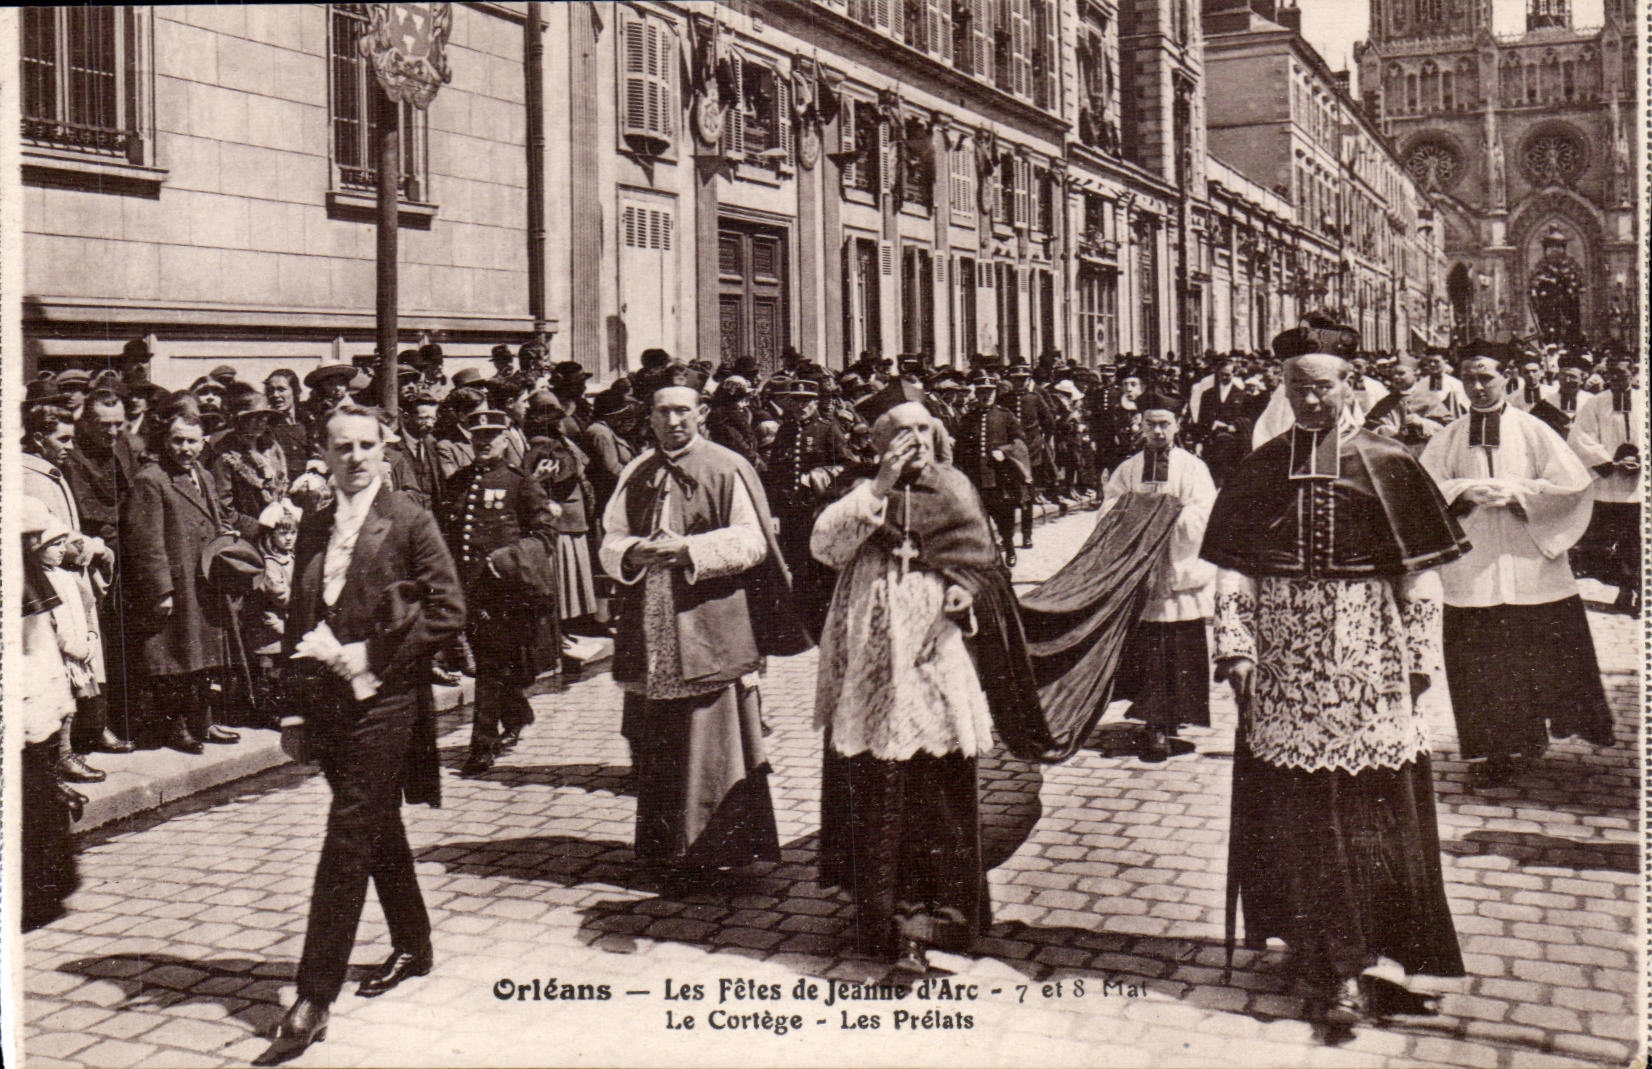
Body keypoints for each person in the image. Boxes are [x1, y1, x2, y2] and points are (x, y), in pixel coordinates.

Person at [1202, 351, 1471, 1031]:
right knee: (1301, 816)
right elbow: (1233, 570)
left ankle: (1376, 958)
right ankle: (1322, 953)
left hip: (1370, 669)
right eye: (1297, 387)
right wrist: (1235, 646)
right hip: (1286, 675)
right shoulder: (1262, 466)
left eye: (1323, 386)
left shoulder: (1388, 461)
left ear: (1350, 386)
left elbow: (1420, 577)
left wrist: (1420, 657)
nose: (1310, 399)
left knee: (1372, 816)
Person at [257, 405, 466, 1066]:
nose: (355, 457)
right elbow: (298, 615)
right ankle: (413, 940)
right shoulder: (318, 518)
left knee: (347, 836)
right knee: (374, 826)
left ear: (384, 448)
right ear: (323, 450)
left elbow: (448, 608)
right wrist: (292, 710)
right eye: (341, 446)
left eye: (366, 445)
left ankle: (313, 997)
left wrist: (373, 654)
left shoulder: (409, 518)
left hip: (387, 699)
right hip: (327, 702)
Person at [810, 381, 999, 971]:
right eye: (898, 432)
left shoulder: (955, 486)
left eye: (922, 430)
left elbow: (981, 561)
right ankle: (882, 915)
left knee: (935, 778)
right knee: (875, 775)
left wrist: (964, 595)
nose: (912, 441)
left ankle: (944, 917)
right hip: (869, 642)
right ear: (878, 443)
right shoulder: (864, 491)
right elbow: (825, 546)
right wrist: (879, 488)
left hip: (930, 645)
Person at [598, 363, 805, 886]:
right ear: (649, 418)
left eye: (682, 411)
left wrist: (688, 550)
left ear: (702, 414)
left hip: (711, 626)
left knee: (711, 741)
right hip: (653, 625)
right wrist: (633, 553)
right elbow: (610, 537)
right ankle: (665, 849)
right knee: (659, 741)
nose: (673, 421)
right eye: (662, 412)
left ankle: (719, 849)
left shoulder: (727, 466)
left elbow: (752, 541)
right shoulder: (636, 471)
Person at [1421, 346, 1613, 787]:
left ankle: (1532, 737)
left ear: (1506, 378)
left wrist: (1521, 494)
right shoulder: (1449, 435)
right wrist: (1463, 493)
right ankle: (1496, 749)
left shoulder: (1533, 430)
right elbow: (1425, 488)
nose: (1478, 386)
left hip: (1530, 565)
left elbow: (1572, 486)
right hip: (1475, 567)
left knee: (1532, 653)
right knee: (1482, 659)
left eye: (1487, 377)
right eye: (1469, 378)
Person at [442, 408, 561, 776]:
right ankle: (518, 712)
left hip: (506, 594)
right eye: (477, 437)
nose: (483, 442)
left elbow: (545, 534)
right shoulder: (458, 481)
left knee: (490, 668)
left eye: (491, 436)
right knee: (493, 665)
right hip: (469, 591)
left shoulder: (520, 482)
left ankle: (482, 746)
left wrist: (510, 559)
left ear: (505, 439)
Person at [123, 402, 247, 753]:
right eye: (178, 441)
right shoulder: (151, 480)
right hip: (178, 584)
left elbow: (219, 519)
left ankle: (203, 721)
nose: (185, 449)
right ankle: (176, 728)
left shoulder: (204, 476)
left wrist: (230, 550)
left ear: (203, 442)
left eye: (192, 442)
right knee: (173, 660)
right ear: (166, 440)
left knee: (203, 657)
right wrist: (162, 590)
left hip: (205, 580)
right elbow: (146, 543)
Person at [1101, 393, 1218, 762]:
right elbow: (1109, 507)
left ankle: (1173, 719)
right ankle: (1152, 722)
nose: (1157, 430)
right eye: (1150, 423)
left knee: (1179, 649)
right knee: (1147, 650)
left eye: (1165, 423)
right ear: (1141, 425)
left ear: (1178, 425)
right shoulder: (1129, 468)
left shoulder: (1193, 467)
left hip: (1178, 574)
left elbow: (1204, 512)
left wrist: (1165, 519)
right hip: (1142, 576)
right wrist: (1134, 518)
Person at [19, 497, 83, 931]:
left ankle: (42, 888)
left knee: (34, 792)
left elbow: (38, 651)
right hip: (27, 705)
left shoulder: (27, 583)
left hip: (30, 704)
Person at [1568, 352, 1642, 614]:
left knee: (1638, 541)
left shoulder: (1644, 400)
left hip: (1640, 487)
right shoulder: (1596, 404)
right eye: (1610, 374)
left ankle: (1640, 592)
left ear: (1633, 373)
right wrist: (1611, 464)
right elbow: (1581, 438)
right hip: (1608, 487)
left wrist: (1641, 461)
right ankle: (1624, 588)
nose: (1615, 379)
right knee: (1608, 543)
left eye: (1621, 373)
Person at [954, 369, 1031, 566]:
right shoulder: (968, 419)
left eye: (989, 392)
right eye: (981, 392)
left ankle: (1009, 547)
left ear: (995, 393)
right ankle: (988, 554)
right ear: (976, 394)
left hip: (1000, 478)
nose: (985, 396)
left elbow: (1020, 442)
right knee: (979, 519)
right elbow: (961, 449)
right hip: (976, 478)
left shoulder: (1005, 416)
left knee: (1004, 517)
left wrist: (1004, 451)